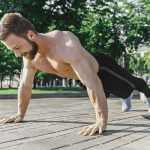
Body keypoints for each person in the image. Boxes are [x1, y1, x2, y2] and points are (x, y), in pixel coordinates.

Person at [0, 13, 150, 136]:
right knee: (120, 92)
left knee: (134, 84)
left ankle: (147, 94)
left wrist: (101, 120)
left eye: (17, 47)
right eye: (13, 50)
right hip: (82, 78)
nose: (17, 54)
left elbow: (93, 82)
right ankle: (126, 96)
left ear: (31, 35)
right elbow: (25, 85)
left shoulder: (64, 44)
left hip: (102, 68)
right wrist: (20, 114)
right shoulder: (30, 55)